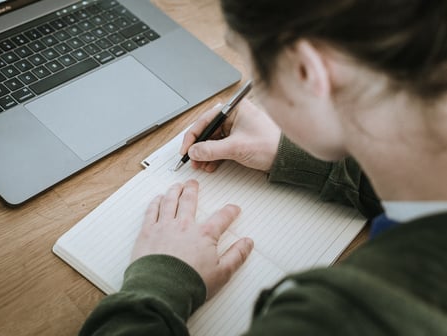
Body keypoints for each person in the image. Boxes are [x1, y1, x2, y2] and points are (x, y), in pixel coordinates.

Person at [79, 0, 447, 334]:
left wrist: (160, 283)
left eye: (252, 72)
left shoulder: (331, 318)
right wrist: (304, 155)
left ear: (307, 73)